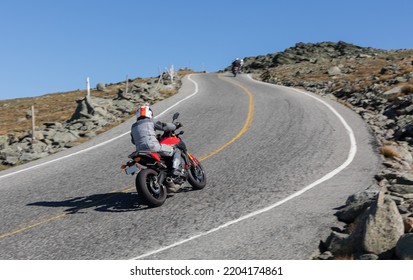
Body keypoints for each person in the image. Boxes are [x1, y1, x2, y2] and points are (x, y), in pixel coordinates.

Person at [130, 105, 182, 177]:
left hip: (139, 150)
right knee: (176, 150)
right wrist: (175, 126)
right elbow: (164, 127)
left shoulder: (133, 126)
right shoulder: (151, 121)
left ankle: (135, 169)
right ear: (149, 113)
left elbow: (133, 141)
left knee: (134, 164)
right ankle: (175, 170)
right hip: (153, 147)